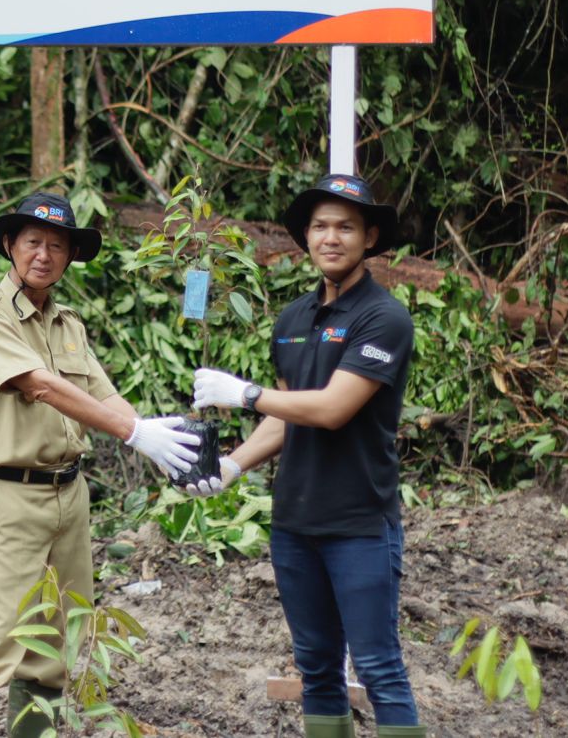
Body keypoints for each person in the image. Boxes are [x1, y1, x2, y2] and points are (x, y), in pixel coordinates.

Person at [0, 191, 202, 738]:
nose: (43, 254)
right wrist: (134, 434)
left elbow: (105, 398)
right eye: (33, 241)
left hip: (69, 494)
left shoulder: (67, 324)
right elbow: (39, 385)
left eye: (56, 245)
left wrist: (161, 442)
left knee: (55, 643)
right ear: (11, 246)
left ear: (68, 257)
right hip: (9, 493)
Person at [187, 173, 426, 738]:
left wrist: (243, 394)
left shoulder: (383, 318)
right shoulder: (292, 320)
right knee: (316, 668)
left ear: (370, 237)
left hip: (359, 524)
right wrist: (233, 465)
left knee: (378, 668)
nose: (331, 238)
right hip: (295, 523)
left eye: (346, 227)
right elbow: (287, 415)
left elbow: (332, 408)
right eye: (320, 226)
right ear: (307, 238)